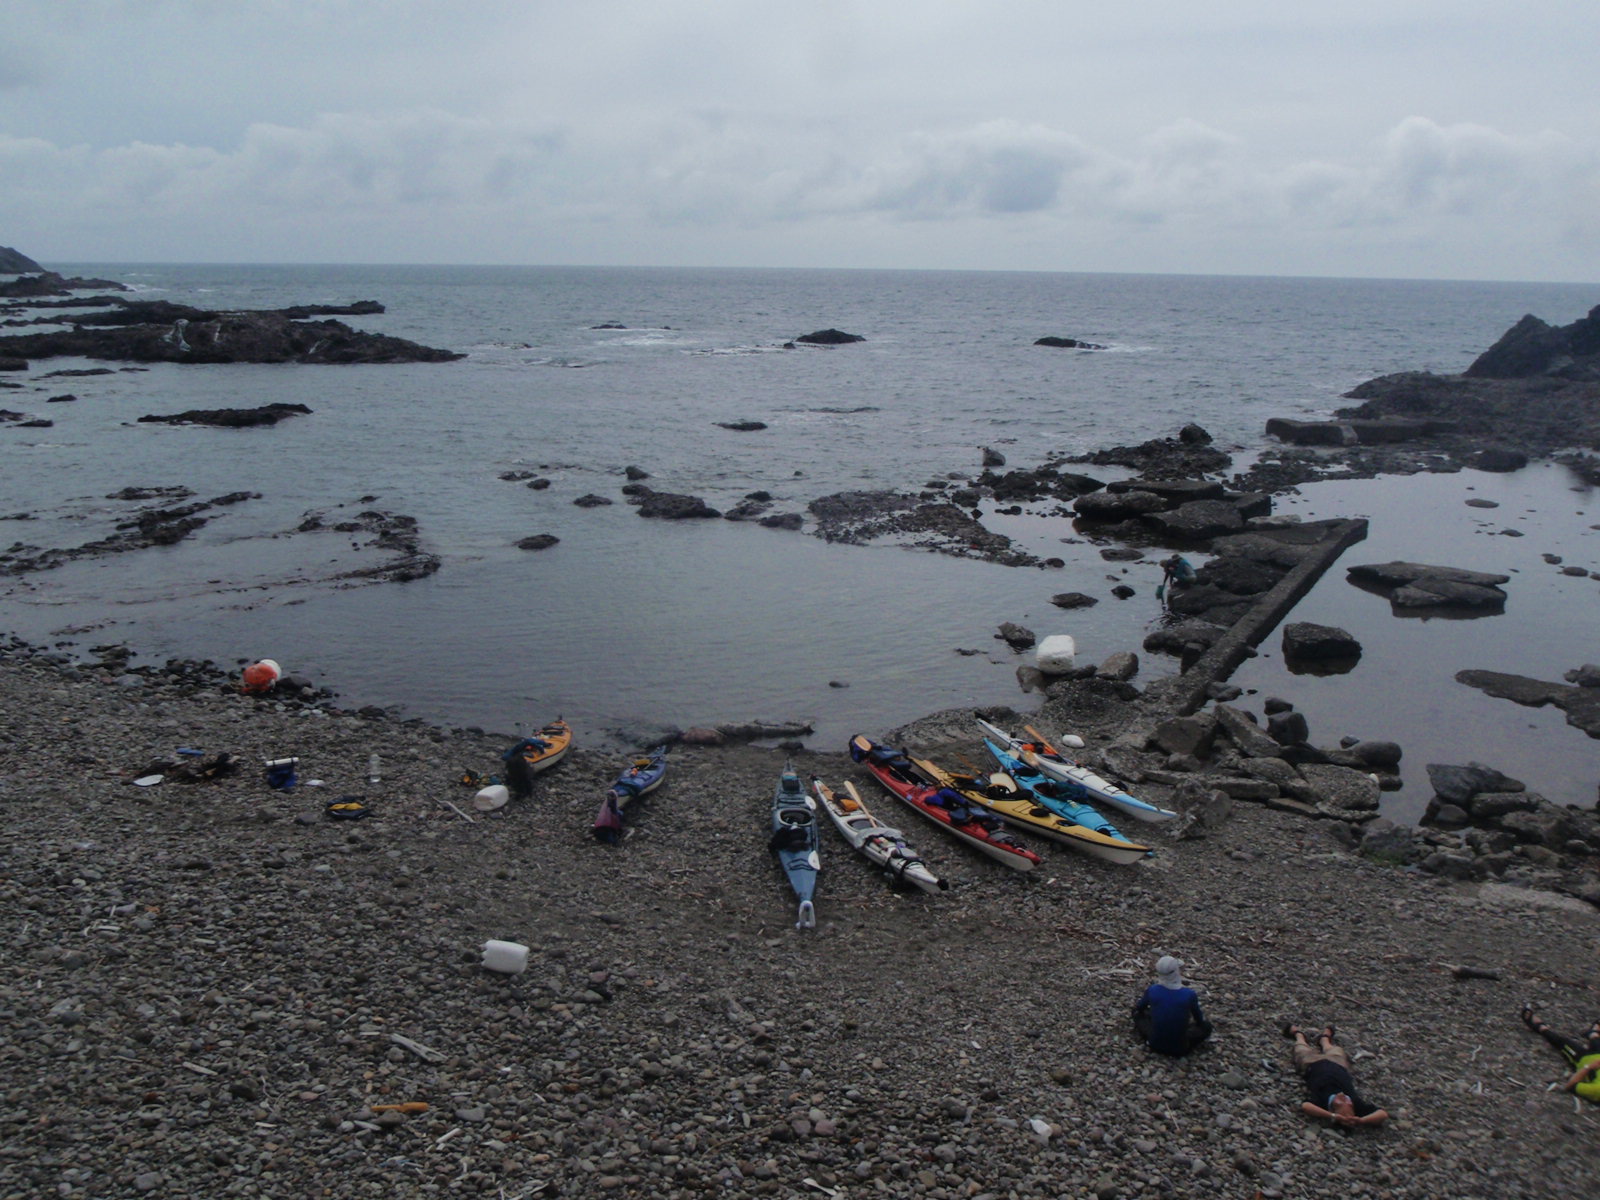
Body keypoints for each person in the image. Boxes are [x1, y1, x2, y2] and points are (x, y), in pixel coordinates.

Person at [1285, 1023, 1389, 1127]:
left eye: (1340, 1103)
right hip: (1337, 1064)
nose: (1345, 1099)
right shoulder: (1356, 1103)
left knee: (1300, 1048)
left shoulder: (1322, 1101)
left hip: (1312, 1064)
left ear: (1332, 1108)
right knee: (1334, 1049)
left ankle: (1298, 1034)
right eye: (1349, 1103)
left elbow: (1306, 1106)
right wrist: (1362, 1120)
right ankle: (1324, 1039)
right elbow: (1383, 1114)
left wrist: (1332, 1116)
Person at [1132, 956, 1213, 1057]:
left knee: (1138, 1014)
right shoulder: (1189, 994)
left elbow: (1139, 1008)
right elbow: (1199, 1020)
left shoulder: (1153, 990)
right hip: (1181, 1048)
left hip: (1154, 1044)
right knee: (1207, 1027)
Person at [1521, 1004, 1600, 1102]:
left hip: (1582, 1059)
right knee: (1596, 1040)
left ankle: (1540, 1027)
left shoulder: (1597, 1091)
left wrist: (1589, 1067)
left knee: (1562, 1042)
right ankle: (1593, 1032)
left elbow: (1571, 1086)